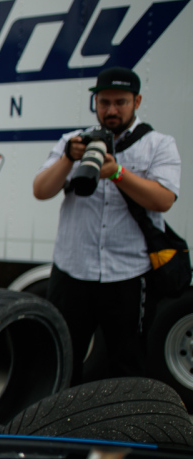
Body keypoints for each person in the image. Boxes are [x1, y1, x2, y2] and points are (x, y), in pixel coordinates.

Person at [32, 67, 180, 381]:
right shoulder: (72, 142)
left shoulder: (159, 145)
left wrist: (117, 173)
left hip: (127, 273)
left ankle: (121, 429)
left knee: (127, 364)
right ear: (95, 103)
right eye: (104, 102)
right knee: (60, 360)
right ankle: (59, 427)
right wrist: (69, 159)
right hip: (72, 270)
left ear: (136, 101)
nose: (111, 110)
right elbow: (41, 190)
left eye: (120, 102)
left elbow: (163, 200)